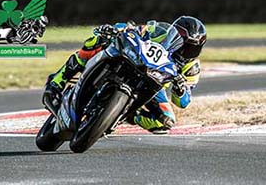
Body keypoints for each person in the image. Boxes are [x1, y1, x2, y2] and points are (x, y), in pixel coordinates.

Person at [43, 16, 207, 133]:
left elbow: (183, 102)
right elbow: (133, 29)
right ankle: (58, 80)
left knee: (165, 122)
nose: (185, 50)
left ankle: (125, 115)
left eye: (191, 47)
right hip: (134, 61)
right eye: (181, 41)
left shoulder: (191, 68)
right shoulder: (159, 33)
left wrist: (180, 89)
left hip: (154, 87)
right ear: (173, 33)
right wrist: (115, 29)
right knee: (97, 41)